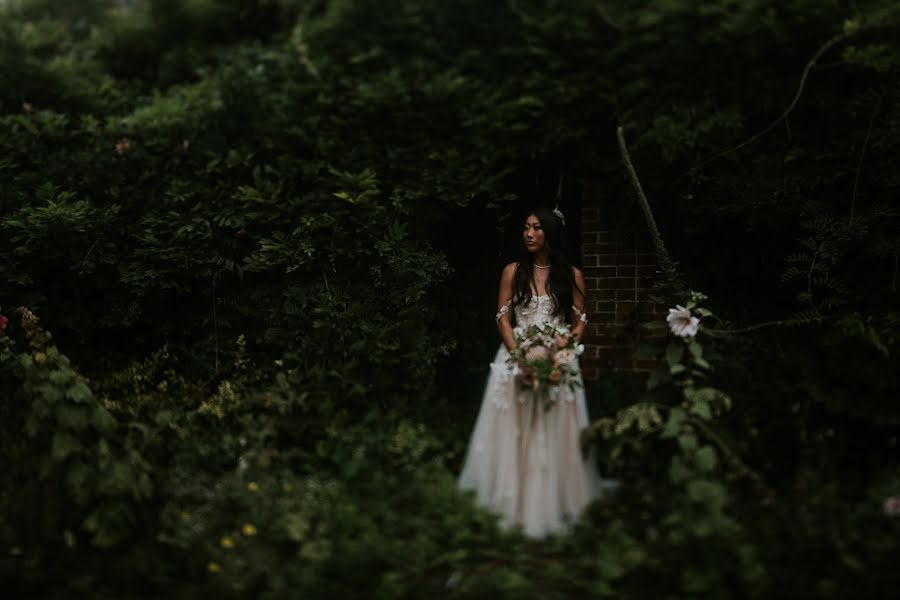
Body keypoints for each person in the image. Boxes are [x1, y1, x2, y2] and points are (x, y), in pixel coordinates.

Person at [458, 207, 604, 538]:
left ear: (550, 233)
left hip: (558, 359)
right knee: (514, 430)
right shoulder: (512, 271)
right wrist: (519, 355)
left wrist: (563, 355)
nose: (528, 234)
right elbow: (502, 317)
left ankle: (556, 504)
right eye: (525, 228)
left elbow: (580, 321)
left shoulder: (572, 275)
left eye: (536, 228)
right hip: (517, 357)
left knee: (553, 429)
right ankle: (513, 502)